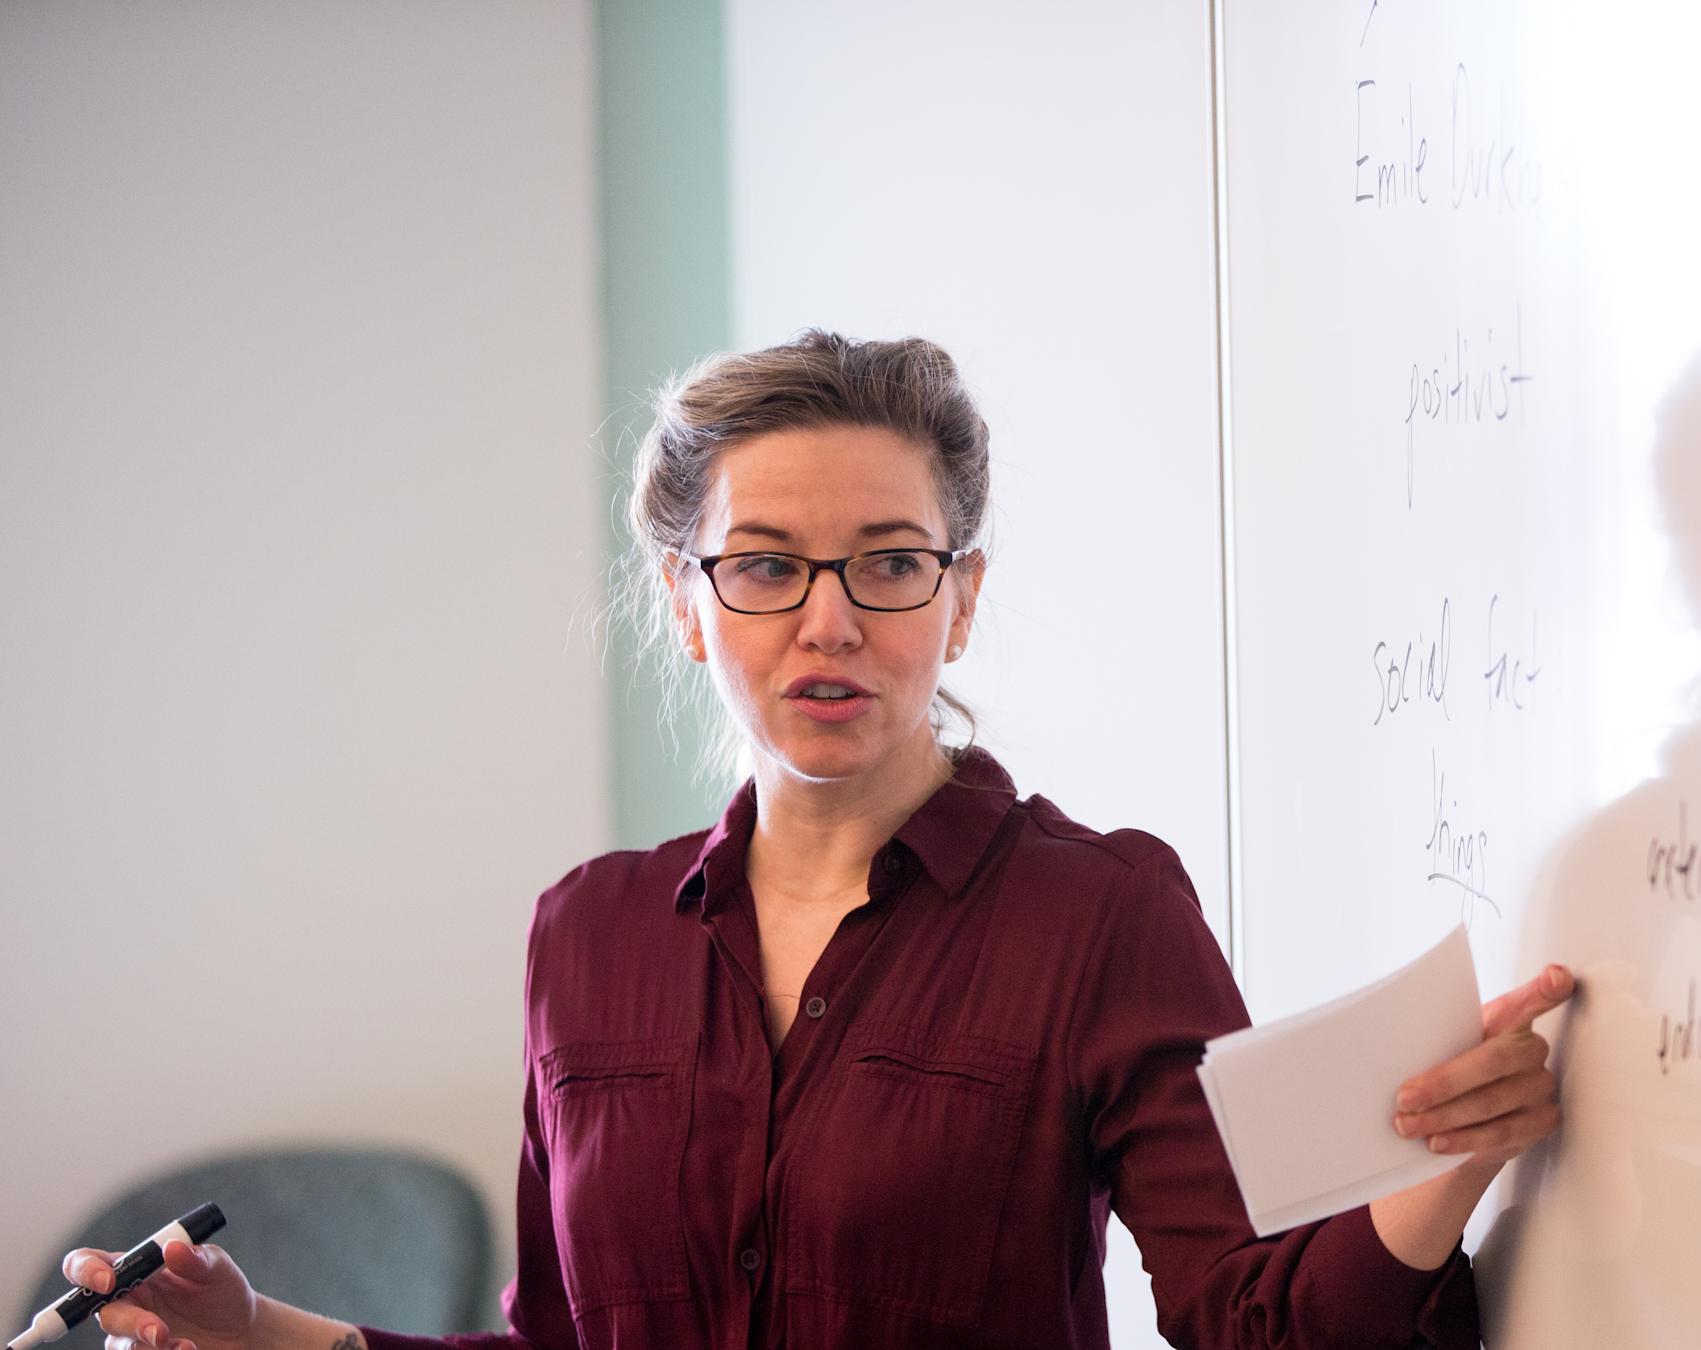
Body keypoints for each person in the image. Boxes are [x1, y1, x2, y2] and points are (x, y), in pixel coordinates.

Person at [58, 332, 1570, 1350]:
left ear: (961, 597)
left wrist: (1451, 1164)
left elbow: (1248, 1315)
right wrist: (269, 1333)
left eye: (891, 563)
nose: (830, 619)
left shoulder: (1098, 912)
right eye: (768, 566)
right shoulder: (586, 935)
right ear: (684, 599)